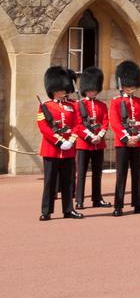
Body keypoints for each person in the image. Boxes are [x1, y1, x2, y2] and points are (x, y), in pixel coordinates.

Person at [108, 60, 140, 216]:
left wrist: (139, 135)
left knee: (137, 174)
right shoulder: (116, 102)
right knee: (121, 175)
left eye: (133, 86)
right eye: (128, 86)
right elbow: (114, 122)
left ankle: (138, 203)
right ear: (122, 84)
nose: (131, 89)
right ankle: (118, 205)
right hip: (123, 143)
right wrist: (127, 138)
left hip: (138, 141)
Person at [37, 66, 82, 221]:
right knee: (50, 182)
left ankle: (68, 209)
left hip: (68, 149)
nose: (62, 92)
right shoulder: (45, 106)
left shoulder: (72, 106)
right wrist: (59, 141)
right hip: (51, 149)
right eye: (59, 89)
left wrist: (71, 140)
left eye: (64, 89)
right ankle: (46, 210)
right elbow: (44, 128)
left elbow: (77, 124)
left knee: (68, 182)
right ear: (53, 90)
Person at [73, 66, 112, 211]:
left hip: (98, 143)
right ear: (85, 89)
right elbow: (77, 125)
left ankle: (97, 198)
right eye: (90, 90)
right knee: (81, 172)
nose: (93, 92)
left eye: (95, 89)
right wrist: (90, 137)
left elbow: (105, 121)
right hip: (83, 144)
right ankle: (79, 200)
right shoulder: (78, 105)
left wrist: (99, 136)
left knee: (97, 173)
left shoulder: (102, 105)